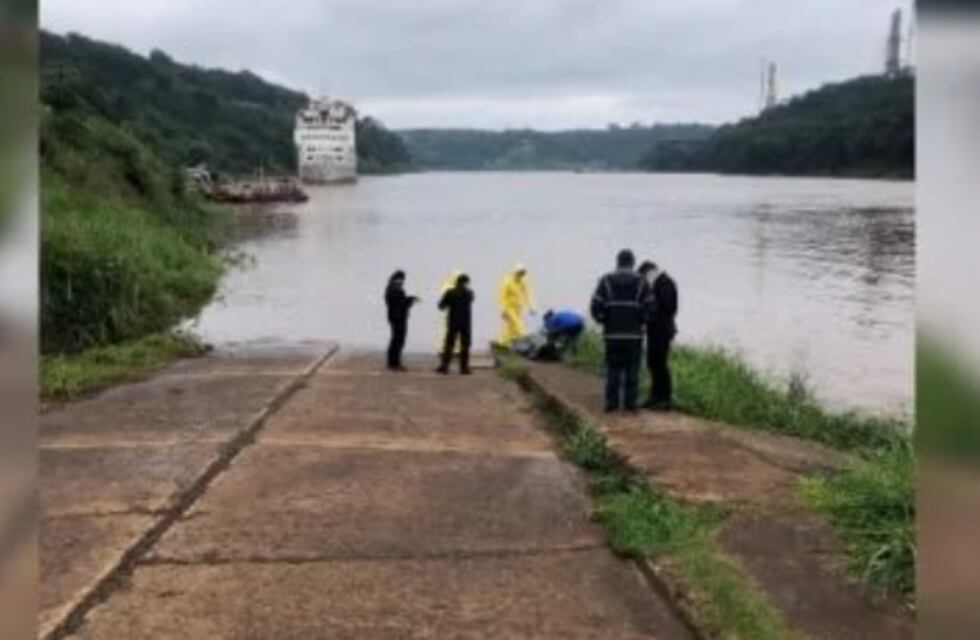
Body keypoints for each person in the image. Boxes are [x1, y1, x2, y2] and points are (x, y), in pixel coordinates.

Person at [590, 249, 655, 412]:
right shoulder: (641, 281)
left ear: (617, 262)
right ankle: (630, 405)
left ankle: (612, 404)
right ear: (632, 263)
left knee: (613, 369)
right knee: (632, 369)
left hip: (612, 334)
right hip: (634, 335)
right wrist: (642, 320)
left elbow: (595, 306)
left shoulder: (606, 280)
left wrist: (603, 319)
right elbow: (651, 307)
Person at [639, 261, 678, 410]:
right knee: (652, 362)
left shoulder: (666, 283)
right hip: (654, 330)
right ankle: (654, 396)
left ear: (650, 272)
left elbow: (669, 307)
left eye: (643, 276)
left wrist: (651, 308)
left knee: (660, 363)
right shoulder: (656, 284)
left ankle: (665, 398)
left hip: (663, 330)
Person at [437, 273, 474, 375]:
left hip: (453, 322)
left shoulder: (450, 292)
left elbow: (441, 306)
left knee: (449, 345)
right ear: (466, 282)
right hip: (465, 323)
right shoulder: (469, 293)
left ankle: (444, 367)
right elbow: (471, 300)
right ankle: (464, 368)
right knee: (465, 346)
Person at [384, 270, 419, 371]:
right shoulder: (395, 289)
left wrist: (409, 300)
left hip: (395, 317)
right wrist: (410, 301)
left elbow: (399, 302)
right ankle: (395, 363)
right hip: (398, 318)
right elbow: (400, 304)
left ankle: (393, 363)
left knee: (396, 340)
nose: (402, 281)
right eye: (401, 278)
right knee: (398, 341)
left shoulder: (391, 288)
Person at [496, 263, 537, 347]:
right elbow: (501, 296)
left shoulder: (523, 282)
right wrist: (503, 309)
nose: (521, 275)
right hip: (509, 308)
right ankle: (525, 338)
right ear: (516, 272)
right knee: (518, 324)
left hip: (518, 308)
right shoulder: (507, 281)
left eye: (523, 273)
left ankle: (502, 343)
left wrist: (532, 307)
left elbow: (527, 295)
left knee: (509, 328)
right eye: (520, 272)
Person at [436, 268, 463, 356]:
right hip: (449, 313)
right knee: (447, 331)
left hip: (453, 313)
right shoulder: (449, 287)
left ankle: (454, 349)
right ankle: (446, 349)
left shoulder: (449, 286)